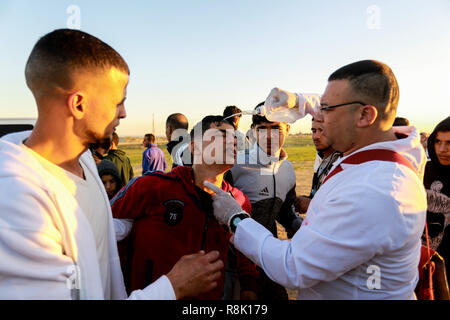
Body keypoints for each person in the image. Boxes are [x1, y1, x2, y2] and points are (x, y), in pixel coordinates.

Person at [0, 29, 223, 300]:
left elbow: (97, 229)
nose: (124, 112)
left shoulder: (82, 159)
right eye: (118, 101)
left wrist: (138, 220)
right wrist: (171, 288)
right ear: (79, 104)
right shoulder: (17, 200)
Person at [206, 60, 428, 299]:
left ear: (364, 115)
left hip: (272, 259)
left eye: (326, 109)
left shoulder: (374, 189)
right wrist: (298, 101)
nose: (319, 118)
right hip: (239, 262)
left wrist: (236, 219)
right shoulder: (385, 153)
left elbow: (293, 267)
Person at [111, 116, 259, 300]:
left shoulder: (239, 201)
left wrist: (249, 286)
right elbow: (101, 229)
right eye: (222, 135)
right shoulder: (151, 187)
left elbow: (245, 249)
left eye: (235, 137)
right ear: (194, 146)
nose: (233, 141)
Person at [224, 103, 303, 300]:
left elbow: (286, 212)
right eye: (262, 129)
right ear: (252, 131)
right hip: (234, 265)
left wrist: (302, 228)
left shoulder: (288, 170)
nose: (269, 136)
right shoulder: (234, 165)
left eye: (275, 128)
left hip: (269, 259)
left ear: (287, 129)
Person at [423, 116, 450, 285]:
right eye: (438, 141)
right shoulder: (423, 170)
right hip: (419, 261)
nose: (442, 149)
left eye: (449, 143)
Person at [294, 117, 341, 214]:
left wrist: (310, 204)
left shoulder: (342, 163)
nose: (316, 136)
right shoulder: (323, 160)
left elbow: (342, 208)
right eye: (314, 131)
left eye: (321, 130)